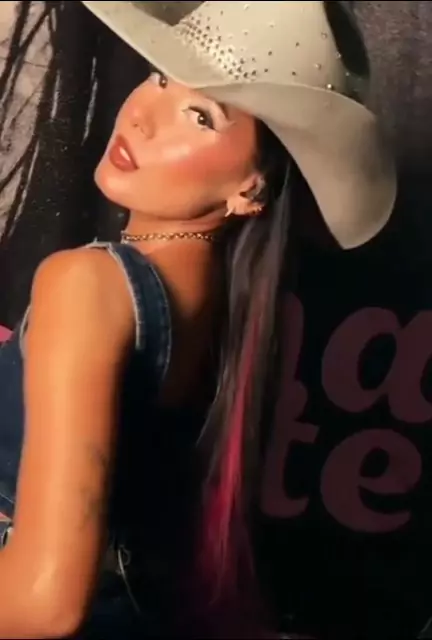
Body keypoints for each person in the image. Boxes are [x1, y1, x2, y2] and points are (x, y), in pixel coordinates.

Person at [0, 1, 395, 638]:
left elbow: (45, 601)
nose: (143, 114)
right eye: (160, 77)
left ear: (250, 189)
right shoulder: (225, 311)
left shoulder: (87, 284)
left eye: (200, 114)